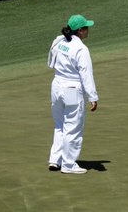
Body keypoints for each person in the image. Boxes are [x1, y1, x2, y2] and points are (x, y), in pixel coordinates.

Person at [47, 14, 99, 174]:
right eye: (86, 27)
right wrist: (93, 97)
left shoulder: (59, 41)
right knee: (73, 126)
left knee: (59, 124)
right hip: (71, 89)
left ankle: (56, 160)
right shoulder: (81, 49)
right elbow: (86, 74)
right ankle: (69, 164)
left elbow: (50, 62)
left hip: (56, 86)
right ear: (80, 31)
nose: (88, 30)